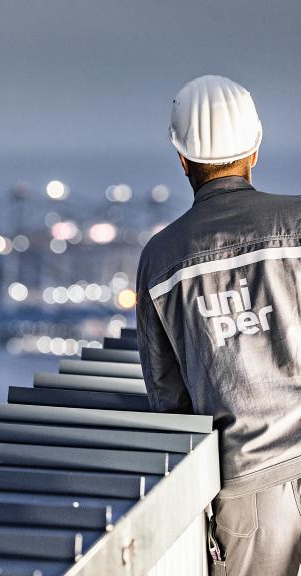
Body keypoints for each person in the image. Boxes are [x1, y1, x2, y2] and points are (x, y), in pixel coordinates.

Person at [136, 75, 301, 576]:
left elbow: (168, 399)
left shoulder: (161, 259)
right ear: (254, 148)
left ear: (182, 160)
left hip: (248, 486)